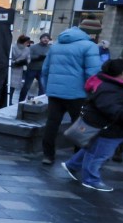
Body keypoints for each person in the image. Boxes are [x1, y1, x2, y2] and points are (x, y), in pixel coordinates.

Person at [40, 19, 102, 165]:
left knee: (52, 123)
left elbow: (45, 70)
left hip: (54, 92)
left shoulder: (56, 45)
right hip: (78, 93)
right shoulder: (89, 46)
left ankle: (48, 155)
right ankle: (76, 157)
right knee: (79, 125)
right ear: (92, 33)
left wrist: (49, 88)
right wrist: (94, 92)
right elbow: (92, 74)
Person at [61, 58, 123, 192]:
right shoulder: (110, 88)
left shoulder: (113, 84)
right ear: (122, 72)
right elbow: (111, 108)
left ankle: (72, 165)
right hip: (109, 128)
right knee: (99, 155)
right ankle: (91, 180)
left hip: (111, 127)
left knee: (92, 148)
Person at [20, 33, 51, 102]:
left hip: (43, 70)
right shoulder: (33, 47)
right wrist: (38, 57)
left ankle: (40, 102)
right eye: (44, 38)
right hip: (32, 69)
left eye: (47, 38)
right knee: (26, 87)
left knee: (42, 87)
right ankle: (21, 101)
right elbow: (28, 56)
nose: (46, 39)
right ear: (40, 39)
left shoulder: (50, 48)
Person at [9, 35, 30, 103]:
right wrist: (15, 62)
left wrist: (26, 62)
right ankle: (8, 101)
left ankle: (10, 101)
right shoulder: (12, 47)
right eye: (27, 42)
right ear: (23, 42)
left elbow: (28, 58)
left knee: (14, 86)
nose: (28, 44)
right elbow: (8, 58)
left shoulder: (27, 49)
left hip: (19, 70)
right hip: (11, 69)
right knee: (10, 86)